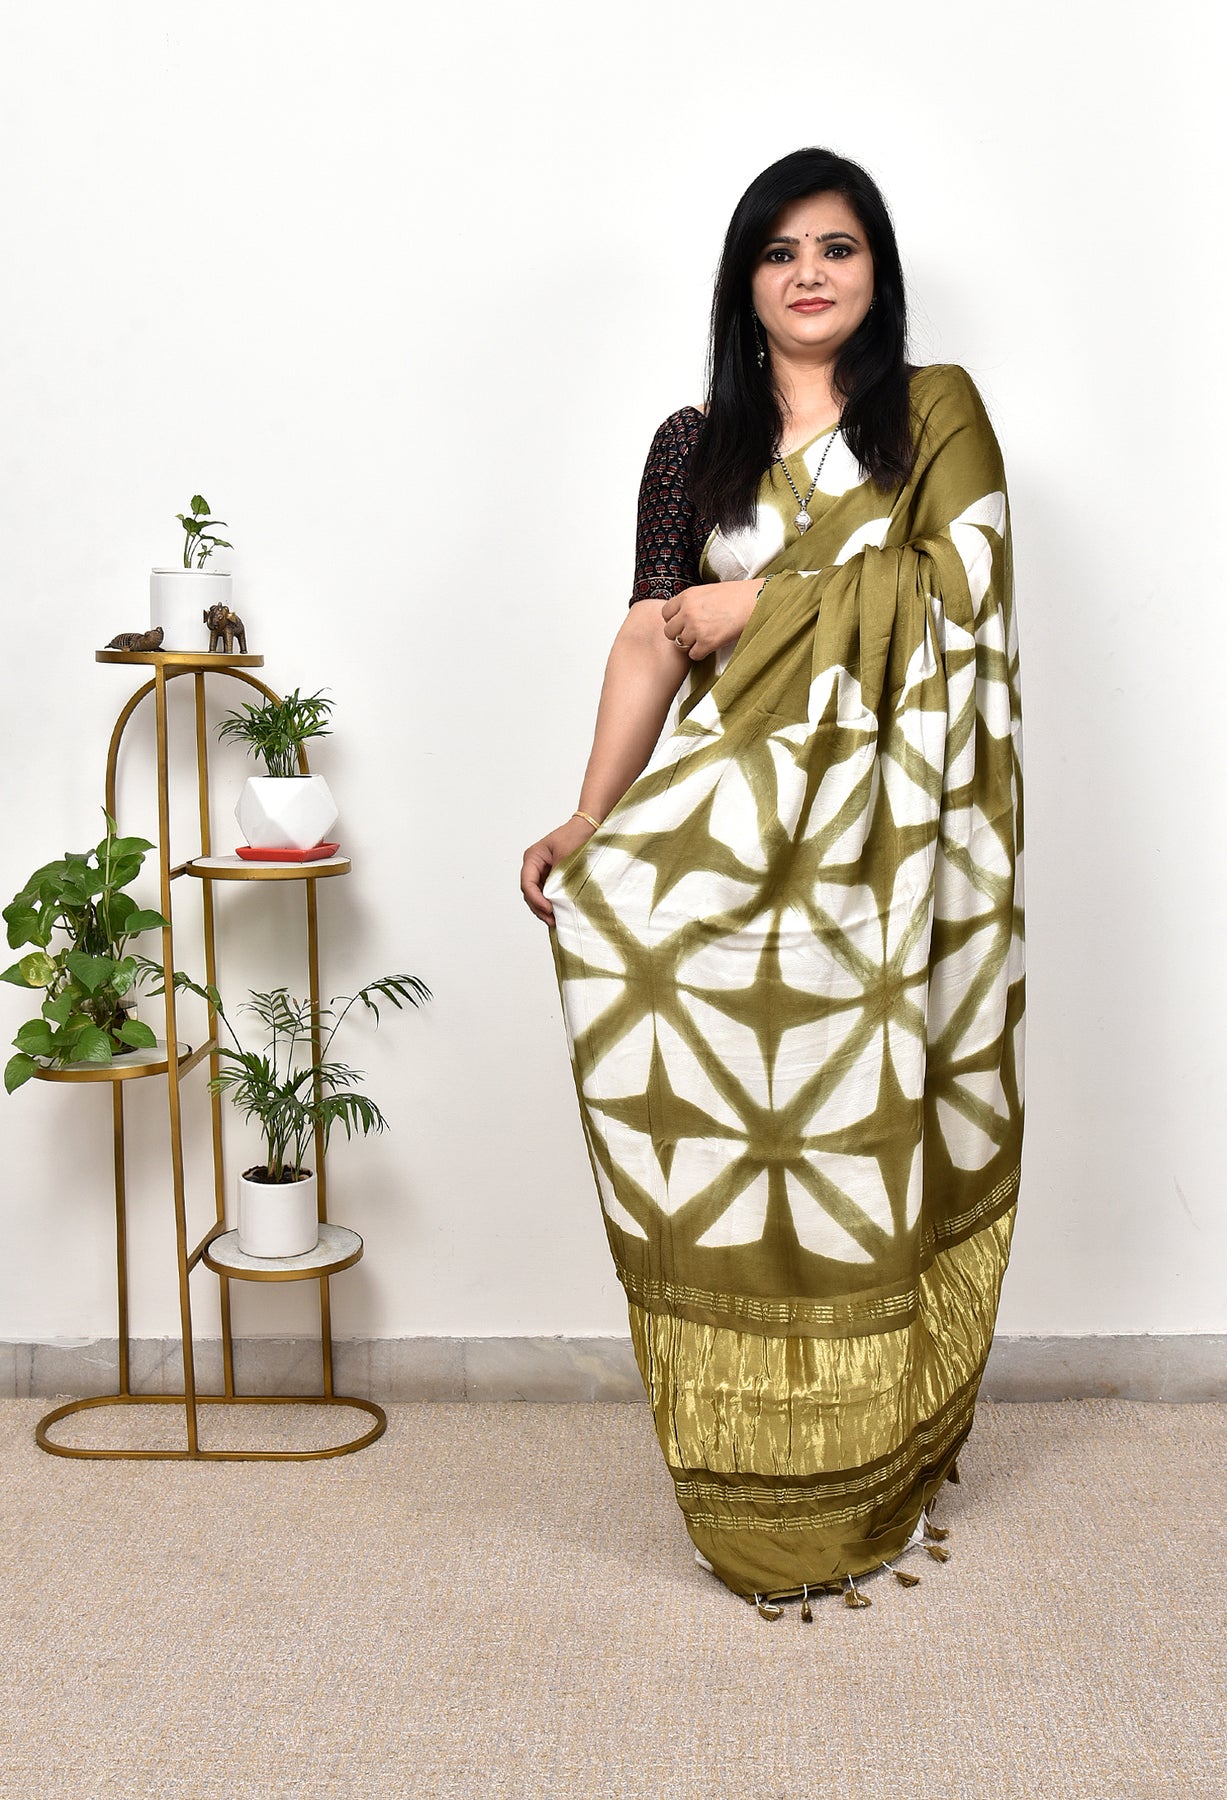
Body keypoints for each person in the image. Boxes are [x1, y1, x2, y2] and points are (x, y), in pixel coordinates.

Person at [520, 147, 1024, 1620]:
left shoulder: (933, 415)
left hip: (888, 854)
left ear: (878, 273)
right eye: (779, 251)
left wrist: (767, 600)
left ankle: (874, 1466)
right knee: (728, 1132)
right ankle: (747, 1482)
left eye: (838, 247)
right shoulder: (696, 449)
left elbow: (967, 591)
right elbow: (650, 637)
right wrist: (589, 814)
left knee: (860, 1143)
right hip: (734, 831)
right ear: (744, 284)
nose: (810, 273)